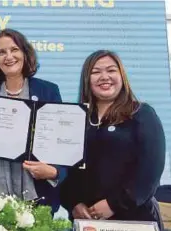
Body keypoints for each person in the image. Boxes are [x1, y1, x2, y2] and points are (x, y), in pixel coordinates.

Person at [60, 50, 165, 229]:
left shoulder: (142, 114)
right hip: (88, 222)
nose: (104, 77)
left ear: (121, 76)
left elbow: (150, 172)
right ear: (87, 79)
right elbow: (66, 169)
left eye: (111, 70)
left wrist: (113, 204)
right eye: (96, 72)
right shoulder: (77, 118)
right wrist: (74, 204)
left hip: (135, 219)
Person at [0, 28, 66, 214]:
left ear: (25, 53)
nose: (9, 56)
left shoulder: (48, 91)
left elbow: (60, 143)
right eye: (1, 52)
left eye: (14, 49)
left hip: (38, 196)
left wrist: (55, 172)